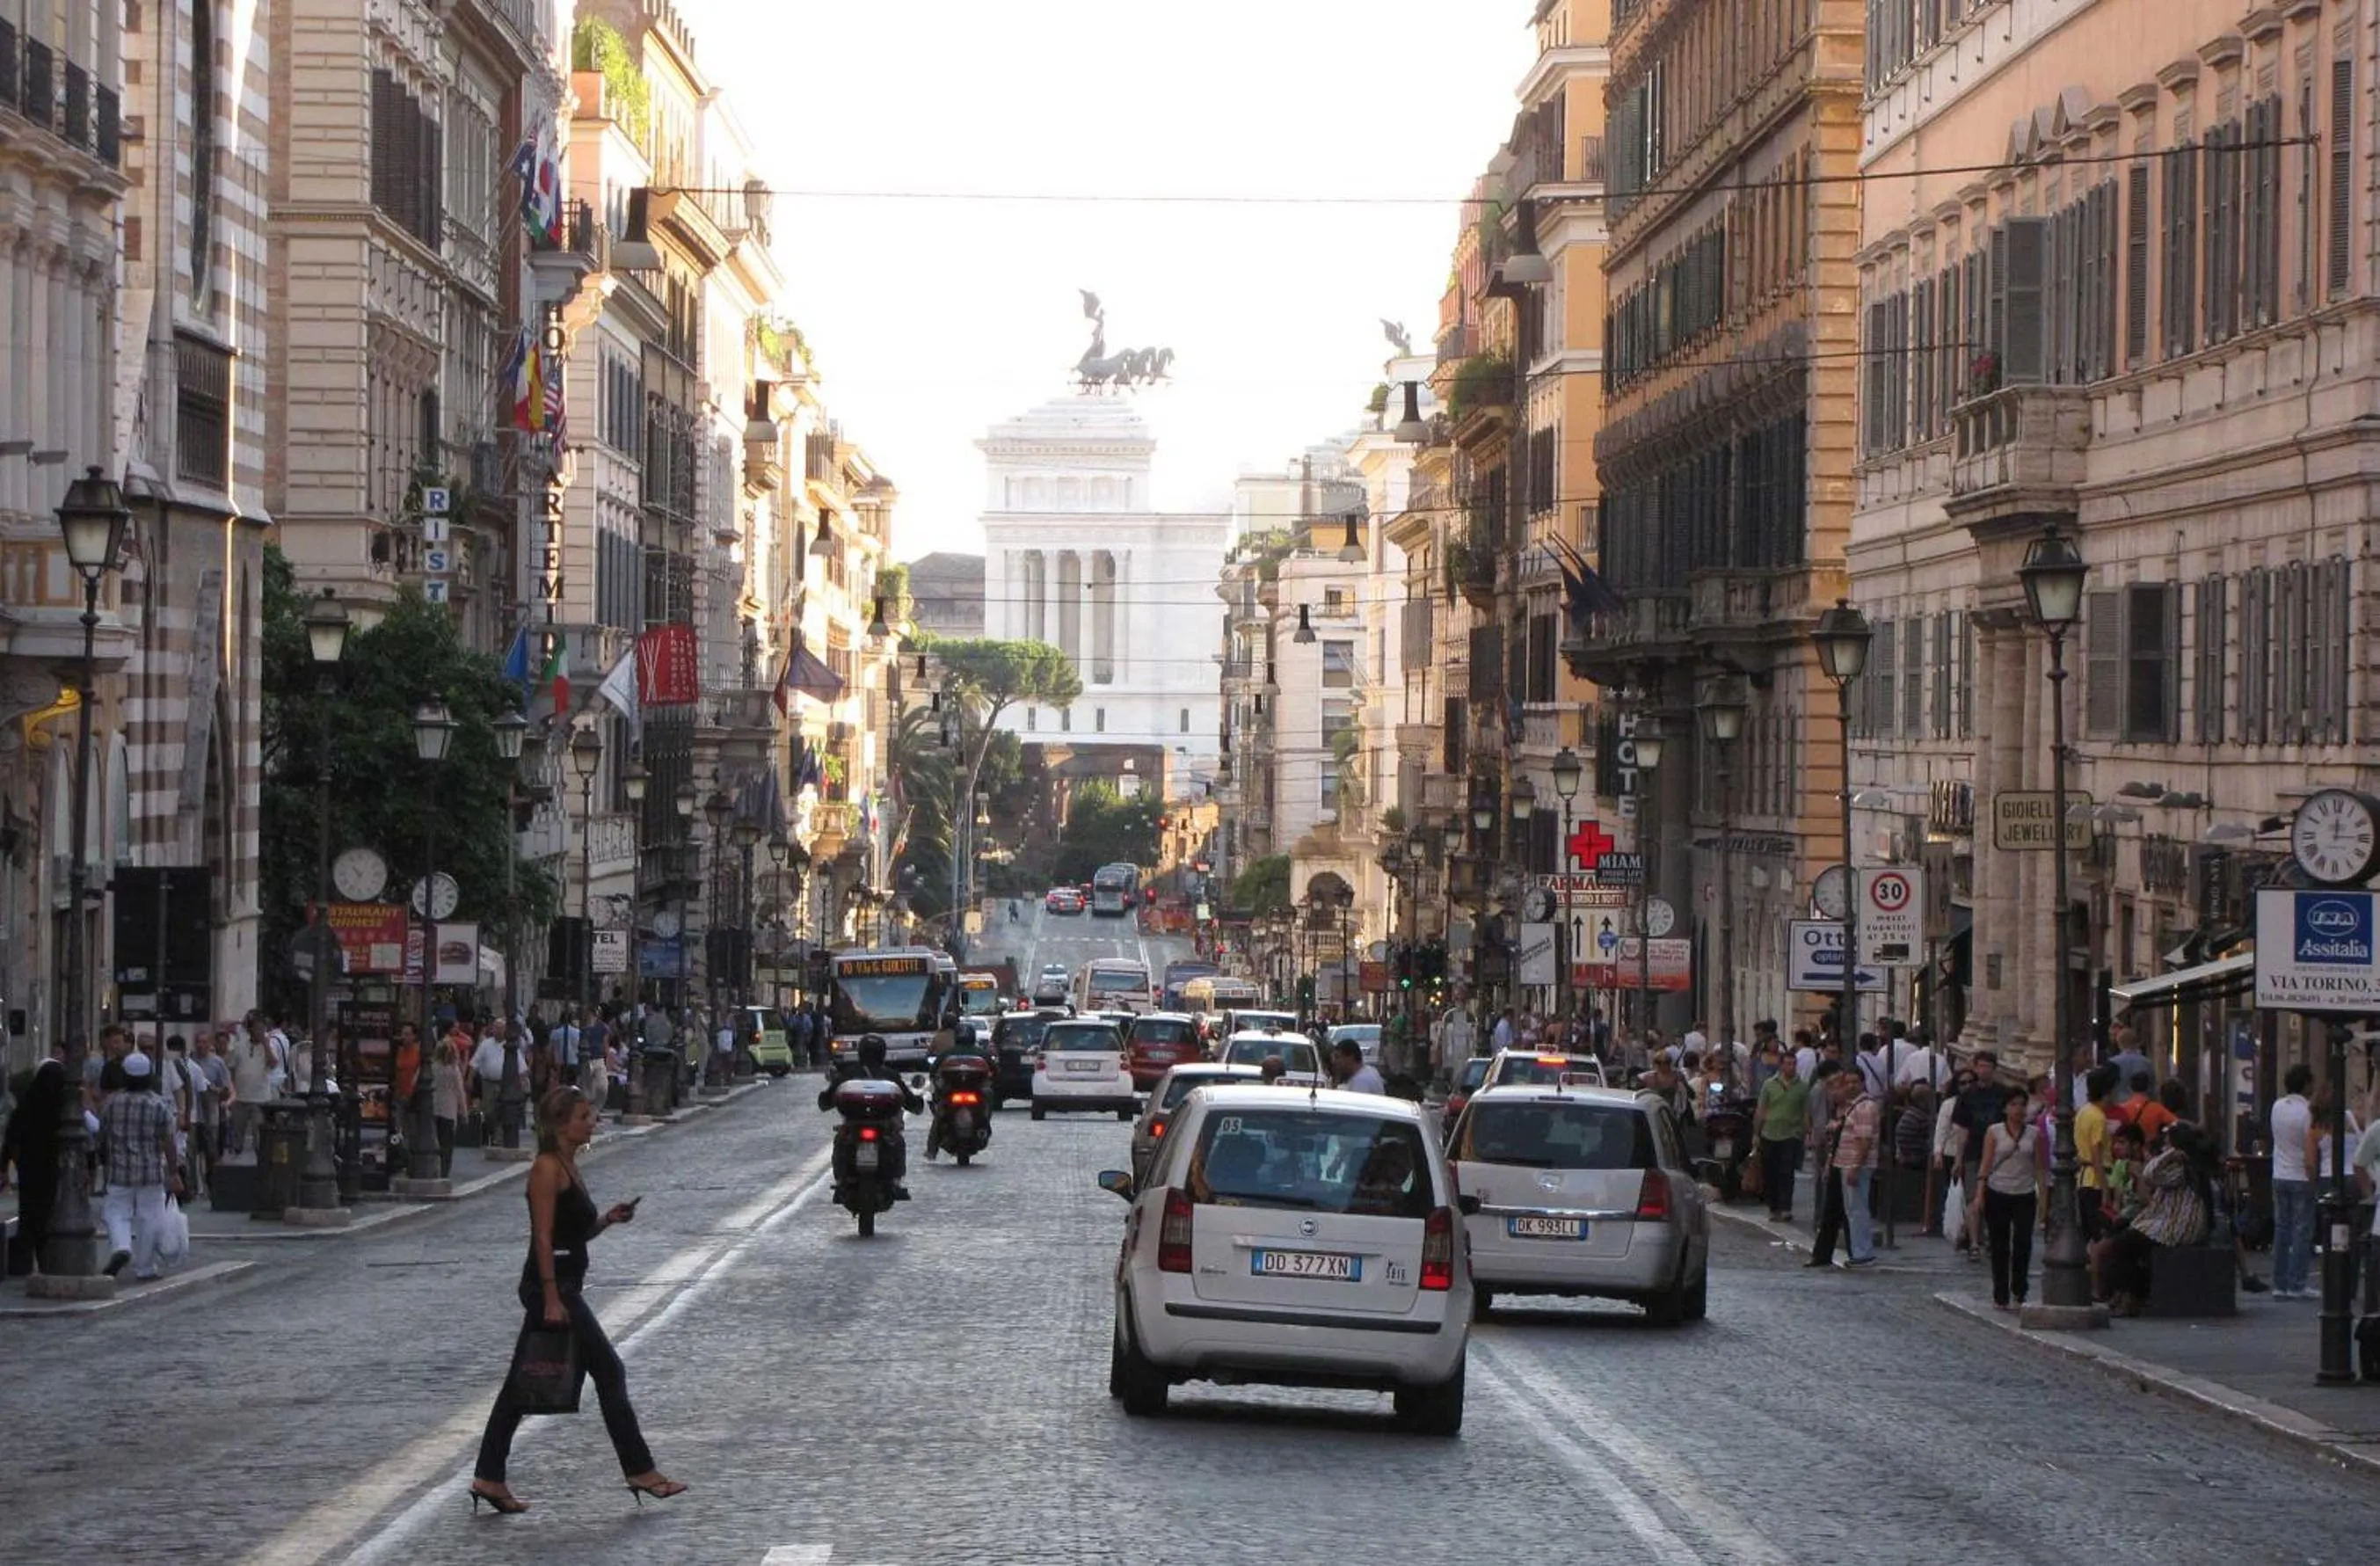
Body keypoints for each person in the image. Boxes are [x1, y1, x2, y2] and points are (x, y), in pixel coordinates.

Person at [469, 1087, 681, 1514]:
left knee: (519, 1386)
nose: (593, 1121)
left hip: (564, 1285)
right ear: (562, 1124)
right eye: (585, 1116)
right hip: (552, 1288)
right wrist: (549, 1297)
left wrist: (607, 1219)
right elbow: (543, 1236)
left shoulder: (569, 1165)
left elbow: (574, 1233)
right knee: (609, 1370)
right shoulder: (547, 1169)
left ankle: (489, 1476)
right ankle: (640, 1469)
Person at [2101, 1125, 2215, 1316]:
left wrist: (2168, 1155)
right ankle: (2125, 1292)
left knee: (2125, 1244)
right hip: (2166, 1221)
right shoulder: (2180, 1166)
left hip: (2178, 1225)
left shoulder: (2182, 1169)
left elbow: (2149, 1174)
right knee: (2122, 1240)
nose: (2164, 1149)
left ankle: (2133, 1295)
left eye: (2168, 1145)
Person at [97, 1052, 182, 1280]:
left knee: (115, 1212)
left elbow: (101, 1134)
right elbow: (169, 1142)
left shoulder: (111, 1102)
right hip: (150, 1171)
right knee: (149, 1218)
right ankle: (145, 1268)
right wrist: (174, 1172)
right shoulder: (158, 1104)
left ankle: (121, 1247)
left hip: (119, 1170)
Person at [817, 1035, 922, 1197]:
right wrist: (917, 1104)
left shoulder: (849, 1073)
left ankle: (841, 1180)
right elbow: (909, 1100)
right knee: (897, 1141)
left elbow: (827, 1099)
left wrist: (825, 1100)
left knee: (841, 1140)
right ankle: (895, 1180)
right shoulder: (891, 1075)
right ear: (882, 1053)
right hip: (882, 1126)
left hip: (856, 1125)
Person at [1970, 1086, 2044, 1310]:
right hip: (1997, 1191)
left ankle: (2020, 1289)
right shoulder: (1994, 1132)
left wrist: (2044, 1198)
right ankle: (2000, 1292)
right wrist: (1979, 1194)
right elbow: (1986, 1162)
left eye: (2022, 1104)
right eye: (2013, 1104)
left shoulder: (2034, 1134)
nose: (2019, 1109)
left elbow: (2040, 1167)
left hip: (2025, 1192)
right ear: (2005, 1108)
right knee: (1999, 1244)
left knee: (2023, 1242)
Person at [0, 1042, 69, 1268]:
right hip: (54, 1166)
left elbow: (11, 1137)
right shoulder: (63, 1108)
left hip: (28, 1166)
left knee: (29, 1211)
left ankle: (22, 1260)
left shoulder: (27, 1105)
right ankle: (44, 1257)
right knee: (48, 1212)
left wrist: (4, 1168)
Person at [1805, 1064, 1877, 1269]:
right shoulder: (1851, 1106)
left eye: (1856, 1082)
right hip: (1842, 1164)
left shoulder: (1865, 1107)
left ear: (1863, 1083)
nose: (1851, 1086)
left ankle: (1862, 1253)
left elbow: (1864, 1140)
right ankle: (1830, 1254)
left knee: (1856, 1210)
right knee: (1841, 1209)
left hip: (1853, 1166)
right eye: (1848, 1082)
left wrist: (1855, 1166)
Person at [2270, 1063, 2317, 1300]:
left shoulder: (2277, 1106)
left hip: (2280, 1173)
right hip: (2300, 1174)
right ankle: (2297, 1282)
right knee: (2302, 1230)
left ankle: (2279, 1283)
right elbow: (2310, 1144)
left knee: (2282, 1229)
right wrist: (2313, 1174)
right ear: (2306, 1084)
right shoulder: (2308, 1111)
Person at [1753, 1046, 1809, 1224]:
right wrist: (1756, 1133)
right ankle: (1773, 1207)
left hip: (1791, 1134)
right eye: (1788, 1064)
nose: (1791, 1067)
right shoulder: (1769, 1085)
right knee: (1771, 1173)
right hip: (1770, 1133)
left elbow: (1805, 1112)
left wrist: (1806, 1133)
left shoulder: (1802, 1087)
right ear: (1781, 1066)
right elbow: (1761, 1110)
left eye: (1794, 1064)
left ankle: (1785, 1208)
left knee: (1787, 1172)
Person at [432, 1039, 467, 1178]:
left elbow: (416, 1082)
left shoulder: (432, 1067)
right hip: (449, 1111)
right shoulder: (454, 1070)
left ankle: (434, 1168)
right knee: (447, 1144)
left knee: (434, 1142)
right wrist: (464, 1112)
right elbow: (460, 1092)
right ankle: (444, 1171)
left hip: (434, 1108)